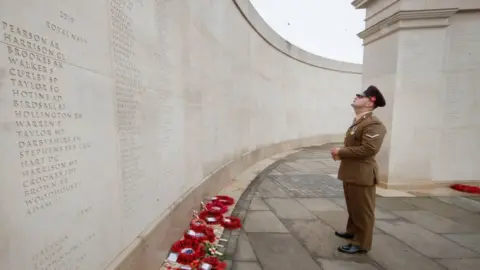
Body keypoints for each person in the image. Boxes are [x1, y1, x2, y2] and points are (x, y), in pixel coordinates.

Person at [330, 85, 387, 254]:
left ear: (370, 104)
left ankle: (361, 243)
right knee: (354, 207)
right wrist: (342, 154)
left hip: (363, 175)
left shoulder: (374, 124)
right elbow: (356, 146)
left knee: (363, 211)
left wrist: (342, 151)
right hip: (352, 172)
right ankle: (352, 232)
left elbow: (369, 149)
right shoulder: (359, 121)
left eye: (361, 96)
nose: (356, 96)